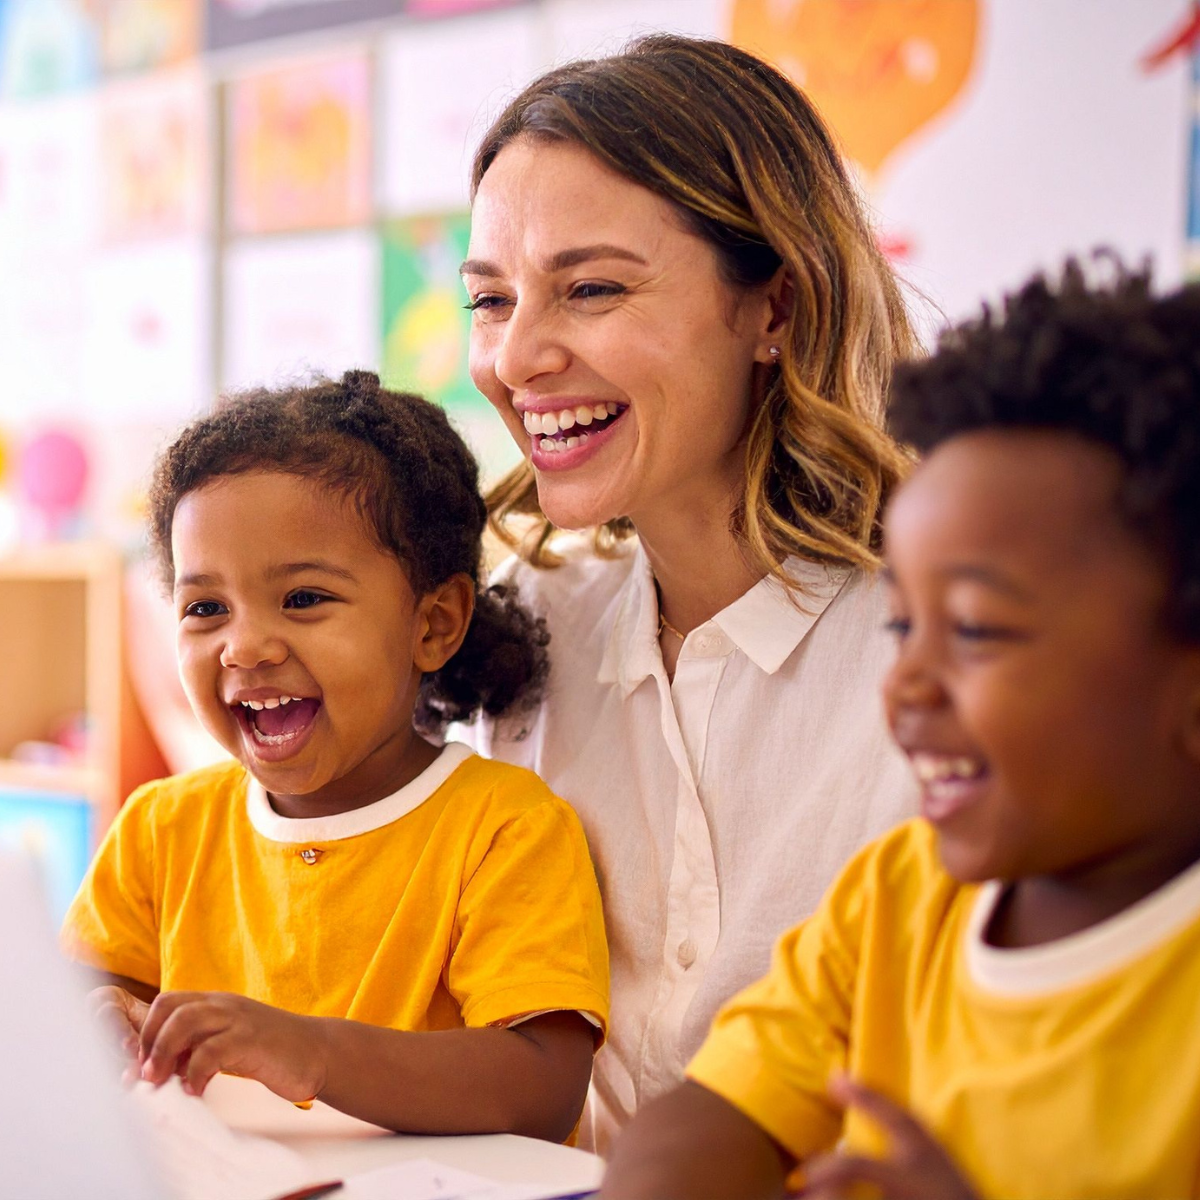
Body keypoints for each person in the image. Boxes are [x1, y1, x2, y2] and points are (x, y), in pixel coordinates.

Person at [601, 261, 1200, 1199]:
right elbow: (704, 1116)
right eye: (902, 625)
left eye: (976, 630)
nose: (906, 684)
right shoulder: (897, 900)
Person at [456, 33, 916, 1149]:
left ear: (775, 308)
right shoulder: (528, 615)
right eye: (490, 300)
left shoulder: (942, 643)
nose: (517, 359)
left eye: (593, 289)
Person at [62, 371, 609, 1142]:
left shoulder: (505, 827)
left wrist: (309, 1051)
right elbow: (85, 1001)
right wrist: (96, 1018)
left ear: (434, 623)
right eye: (205, 608)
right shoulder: (161, 827)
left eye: (304, 599)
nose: (244, 645)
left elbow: (542, 1086)